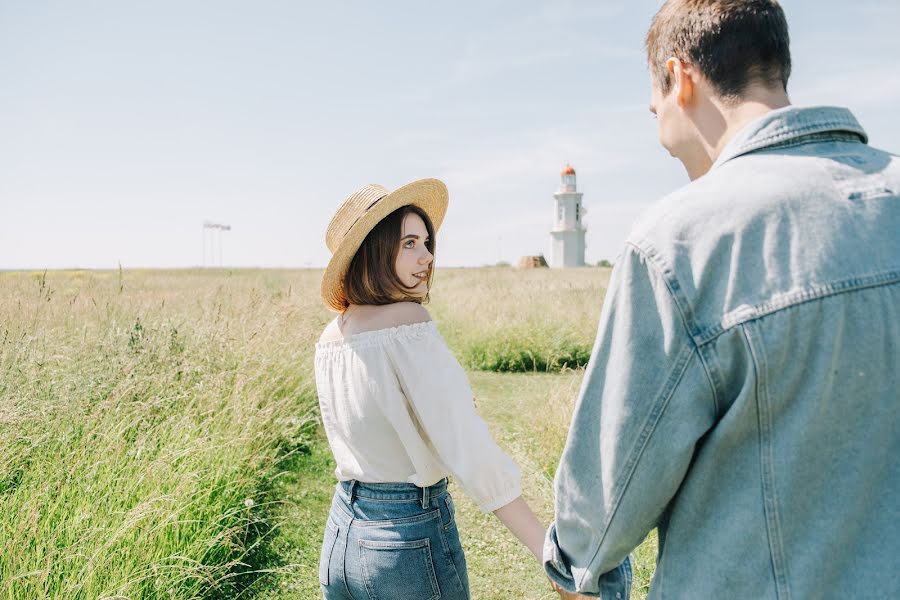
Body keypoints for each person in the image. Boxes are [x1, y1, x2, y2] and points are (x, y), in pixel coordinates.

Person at [544, 1, 900, 598]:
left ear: (681, 79)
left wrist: (572, 561)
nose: (658, 128)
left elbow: (603, 505)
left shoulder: (681, 239)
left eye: (655, 110)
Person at [314, 179, 547, 600]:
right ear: (373, 253)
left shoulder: (331, 336)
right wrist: (542, 546)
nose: (427, 257)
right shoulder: (407, 323)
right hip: (405, 539)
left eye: (426, 242)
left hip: (341, 536)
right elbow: (470, 449)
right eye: (408, 243)